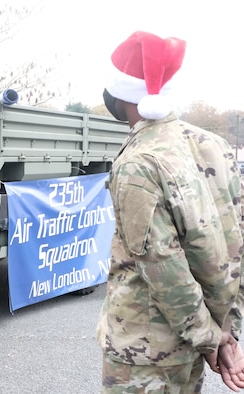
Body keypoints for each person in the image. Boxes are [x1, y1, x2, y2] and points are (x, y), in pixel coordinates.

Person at [96, 30, 244, 393]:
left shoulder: (137, 164)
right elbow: (234, 243)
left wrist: (212, 339)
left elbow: (163, 268)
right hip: (191, 346)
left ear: (121, 97)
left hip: (145, 352)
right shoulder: (216, 145)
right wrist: (223, 332)